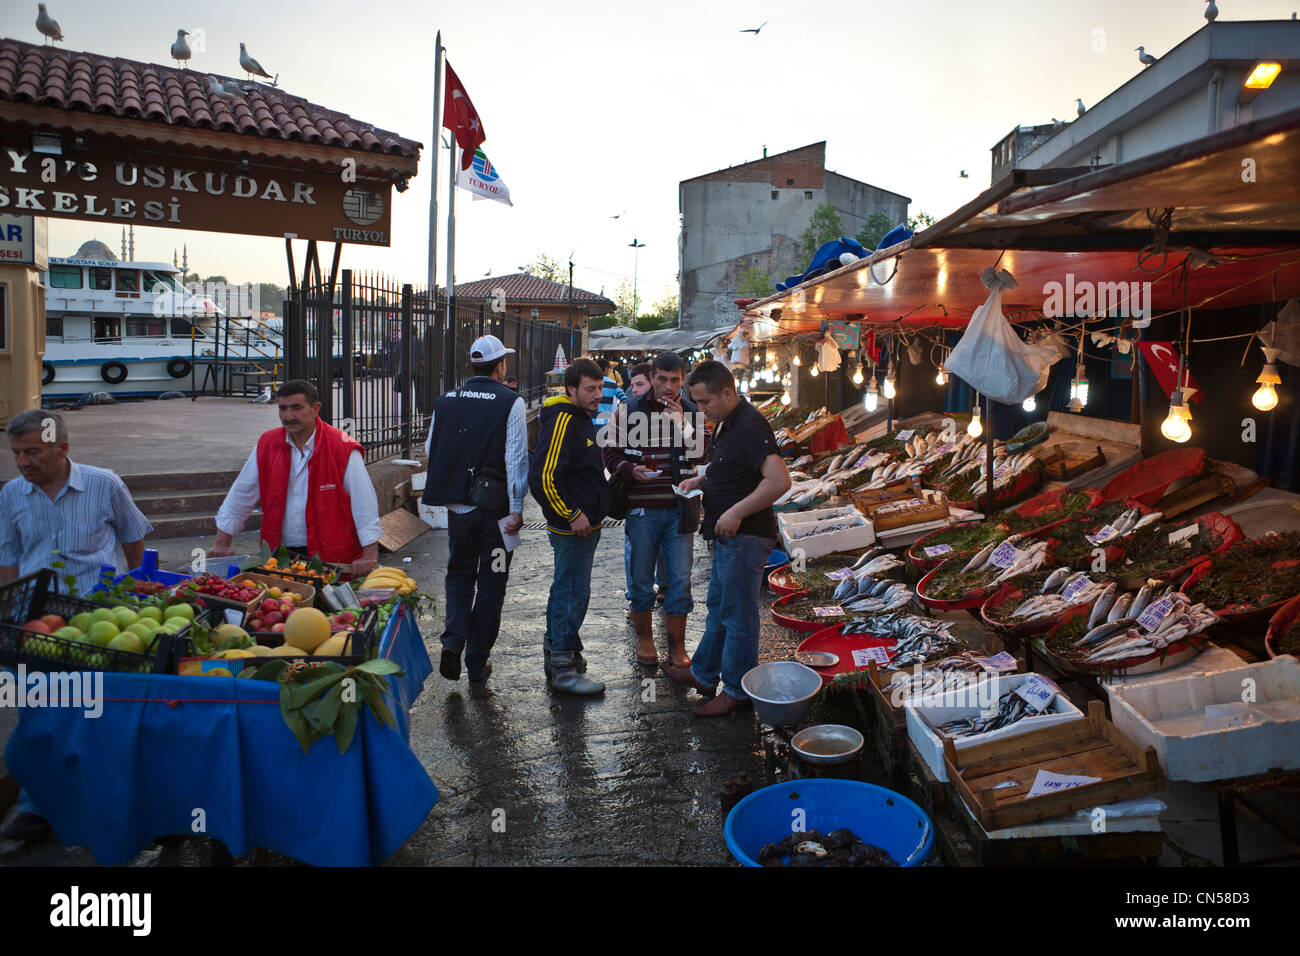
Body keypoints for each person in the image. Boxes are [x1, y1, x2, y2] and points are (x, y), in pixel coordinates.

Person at [0, 409, 153, 844]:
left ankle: (106, 801)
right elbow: (7, 555)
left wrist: (135, 594)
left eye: (32, 452)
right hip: (36, 623)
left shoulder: (104, 484)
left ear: (62, 448)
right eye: (16, 453)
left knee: (100, 714)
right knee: (38, 717)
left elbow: (133, 537)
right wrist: (11, 616)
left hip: (99, 620)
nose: (23, 461)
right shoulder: (12, 495)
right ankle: (35, 806)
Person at [661, 361, 791, 717]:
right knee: (718, 608)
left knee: (738, 616)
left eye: (705, 403)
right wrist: (701, 481)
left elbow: (779, 481)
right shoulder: (726, 423)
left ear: (728, 393)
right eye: (697, 403)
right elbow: (732, 468)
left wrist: (735, 513)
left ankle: (736, 690)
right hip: (727, 539)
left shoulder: (750, 425)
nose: (701, 410)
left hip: (745, 538)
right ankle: (704, 673)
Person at [421, 336, 527, 683]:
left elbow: (429, 446)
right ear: (500, 366)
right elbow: (515, 459)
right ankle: (478, 661)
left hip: (460, 509)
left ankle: (452, 641)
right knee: (492, 582)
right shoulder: (511, 401)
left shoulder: (446, 400)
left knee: (460, 575)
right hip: (495, 513)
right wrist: (516, 509)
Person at [209, 380, 381, 579]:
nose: (288, 416)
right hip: (280, 557)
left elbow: (364, 503)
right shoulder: (267, 443)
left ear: (316, 408)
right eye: (283, 409)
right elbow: (241, 493)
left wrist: (369, 553)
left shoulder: (342, 448)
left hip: (332, 556)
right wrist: (222, 542)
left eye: (296, 408)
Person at [605, 352, 707, 668]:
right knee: (640, 578)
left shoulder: (691, 411)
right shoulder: (629, 410)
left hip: (680, 508)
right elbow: (609, 453)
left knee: (679, 580)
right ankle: (645, 639)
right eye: (662, 379)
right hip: (641, 509)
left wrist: (683, 426)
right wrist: (629, 470)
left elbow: (703, 453)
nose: (668, 386)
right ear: (652, 377)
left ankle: (677, 646)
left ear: (683, 378)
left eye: (675, 380)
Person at [529, 358, 609, 696]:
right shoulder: (563, 419)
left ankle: (562, 653)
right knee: (571, 592)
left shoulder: (580, 419)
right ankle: (562, 666)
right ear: (571, 389)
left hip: (584, 526)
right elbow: (544, 477)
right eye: (590, 389)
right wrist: (572, 513)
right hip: (571, 528)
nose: (597, 394)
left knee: (572, 590)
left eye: (601, 387)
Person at [593, 357, 625, 433]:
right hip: (606, 423)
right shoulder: (613, 384)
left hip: (591, 422)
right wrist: (614, 416)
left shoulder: (590, 382)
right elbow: (625, 400)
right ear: (607, 369)